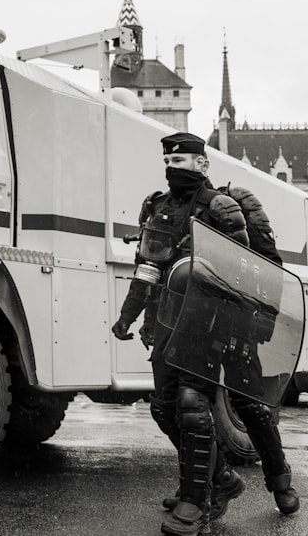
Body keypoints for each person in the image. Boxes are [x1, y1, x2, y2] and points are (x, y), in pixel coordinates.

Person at [112, 132, 297, 535]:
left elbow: (246, 274)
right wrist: (129, 315)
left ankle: (211, 499)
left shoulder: (222, 209)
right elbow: (148, 269)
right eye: (168, 162)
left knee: (208, 406)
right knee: (164, 407)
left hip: (217, 323)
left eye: (180, 163)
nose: (172, 169)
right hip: (169, 322)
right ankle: (220, 481)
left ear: (202, 164)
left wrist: (252, 323)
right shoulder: (157, 208)